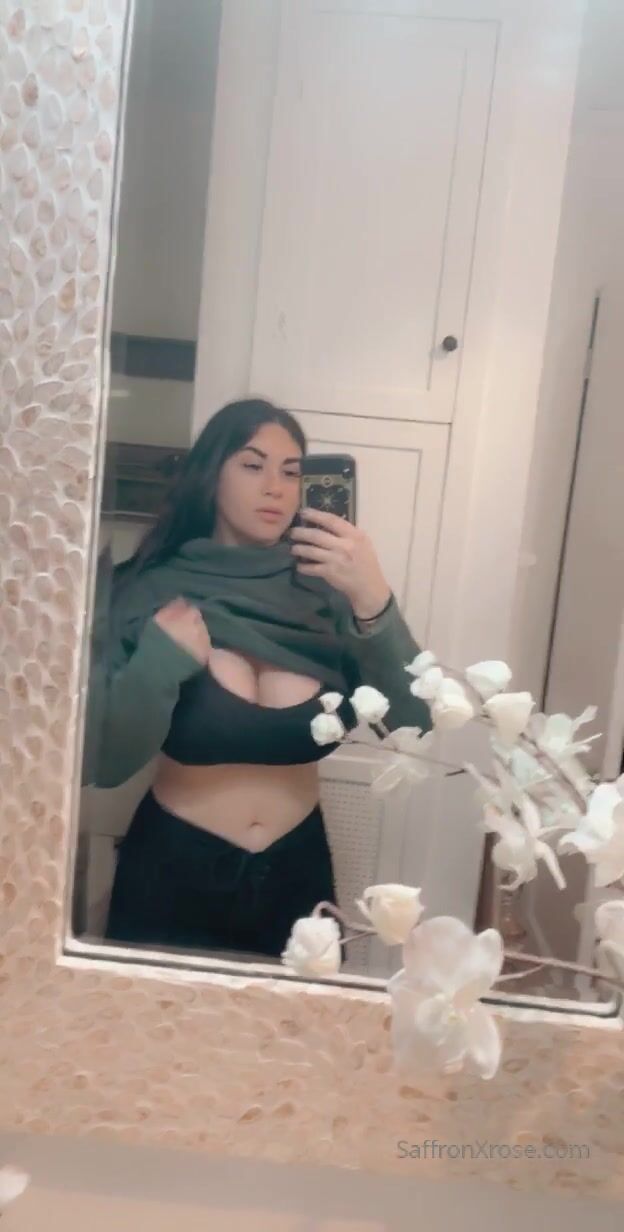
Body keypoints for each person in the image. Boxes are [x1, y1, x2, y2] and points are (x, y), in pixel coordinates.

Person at [85, 399, 430, 959]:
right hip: (171, 872)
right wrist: (158, 662)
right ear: (211, 474)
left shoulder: (330, 593)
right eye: (252, 465)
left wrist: (373, 597)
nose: (275, 487)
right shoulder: (144, 590)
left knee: (299, 1020)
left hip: (298, 876)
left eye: (291, 472)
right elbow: (103, 764)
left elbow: (415, 724)